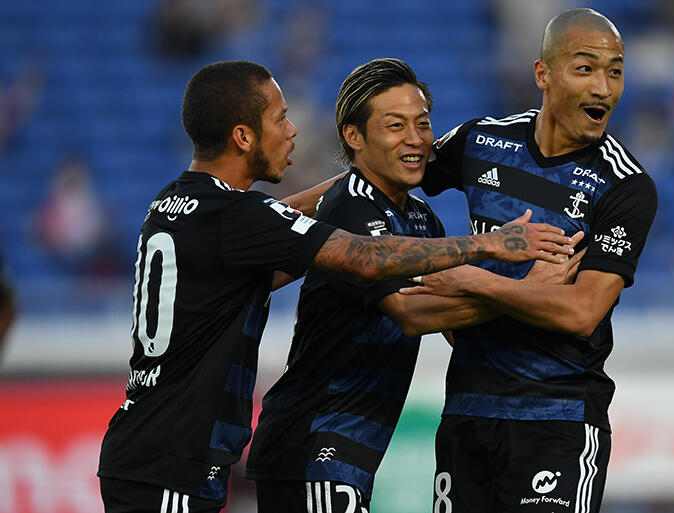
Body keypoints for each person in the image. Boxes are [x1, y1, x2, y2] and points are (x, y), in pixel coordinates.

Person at [95, 60, 574, 513]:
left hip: (164, 447)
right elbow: (368, 262)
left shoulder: (186, 205)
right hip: (208, 452)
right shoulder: (239, 217)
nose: (292, 130)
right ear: (243, 136)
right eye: (280, 119)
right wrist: (496, 252)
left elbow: (288, 222)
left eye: (421, 124)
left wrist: (375, 166)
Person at [244, 58, 585, 513]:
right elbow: (411, 313)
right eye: (395, 125)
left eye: (422, 123)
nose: (415, 138)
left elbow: (454, 323)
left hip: (349, 452)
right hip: (312, 443)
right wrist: (526, 290)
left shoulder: (422, 219)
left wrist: (532, 303)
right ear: (353, 136)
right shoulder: (349, 207)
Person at [400, 8, 658, 512]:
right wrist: (298, 217)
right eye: (585, 68)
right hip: (467, 411)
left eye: (615, 71)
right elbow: (386, 175)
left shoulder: (625, 186)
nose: (603, 87)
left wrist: (472, 279)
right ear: (543, 74)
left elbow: (582, 311)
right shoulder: (481, 142)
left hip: (558, 419)